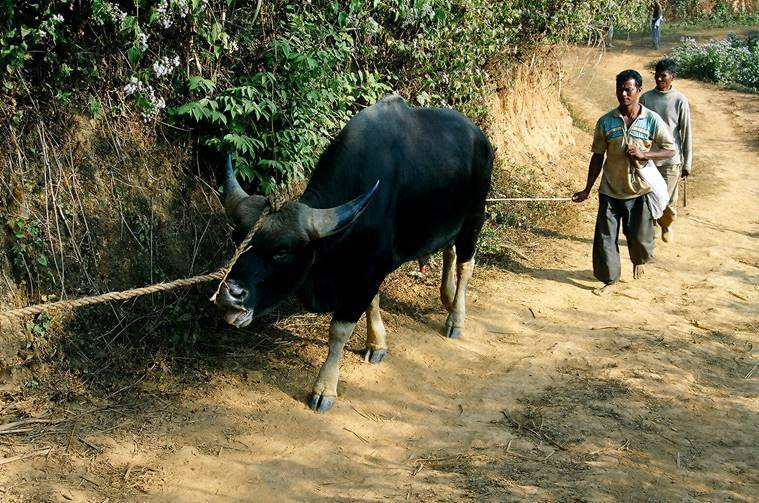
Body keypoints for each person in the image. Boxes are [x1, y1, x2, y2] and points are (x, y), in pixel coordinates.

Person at [572, 69, 676, 295]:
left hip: (639, 192)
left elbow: (670, 150)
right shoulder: (606, 122)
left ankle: (638, 259)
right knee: (605, 238)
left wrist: (644, 154)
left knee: (639, 238)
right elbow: (598, 156)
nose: (623, 94)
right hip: (610, 190)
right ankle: (610, 280)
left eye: (628, 89)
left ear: (639, 90)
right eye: (620, 89)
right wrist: (587, 189)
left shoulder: (651, 120)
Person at [639, 59, 692, 242]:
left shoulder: (680, 100)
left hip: (671, 160)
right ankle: (651, 228)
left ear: (673, 77)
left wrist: (688, 162)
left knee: (668, 200)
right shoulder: (646, 98)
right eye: (657, 74)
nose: (659, 78)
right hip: (649, 158)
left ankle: (666, 224)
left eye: (664, 75)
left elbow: (686, 133)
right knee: (650, 195)